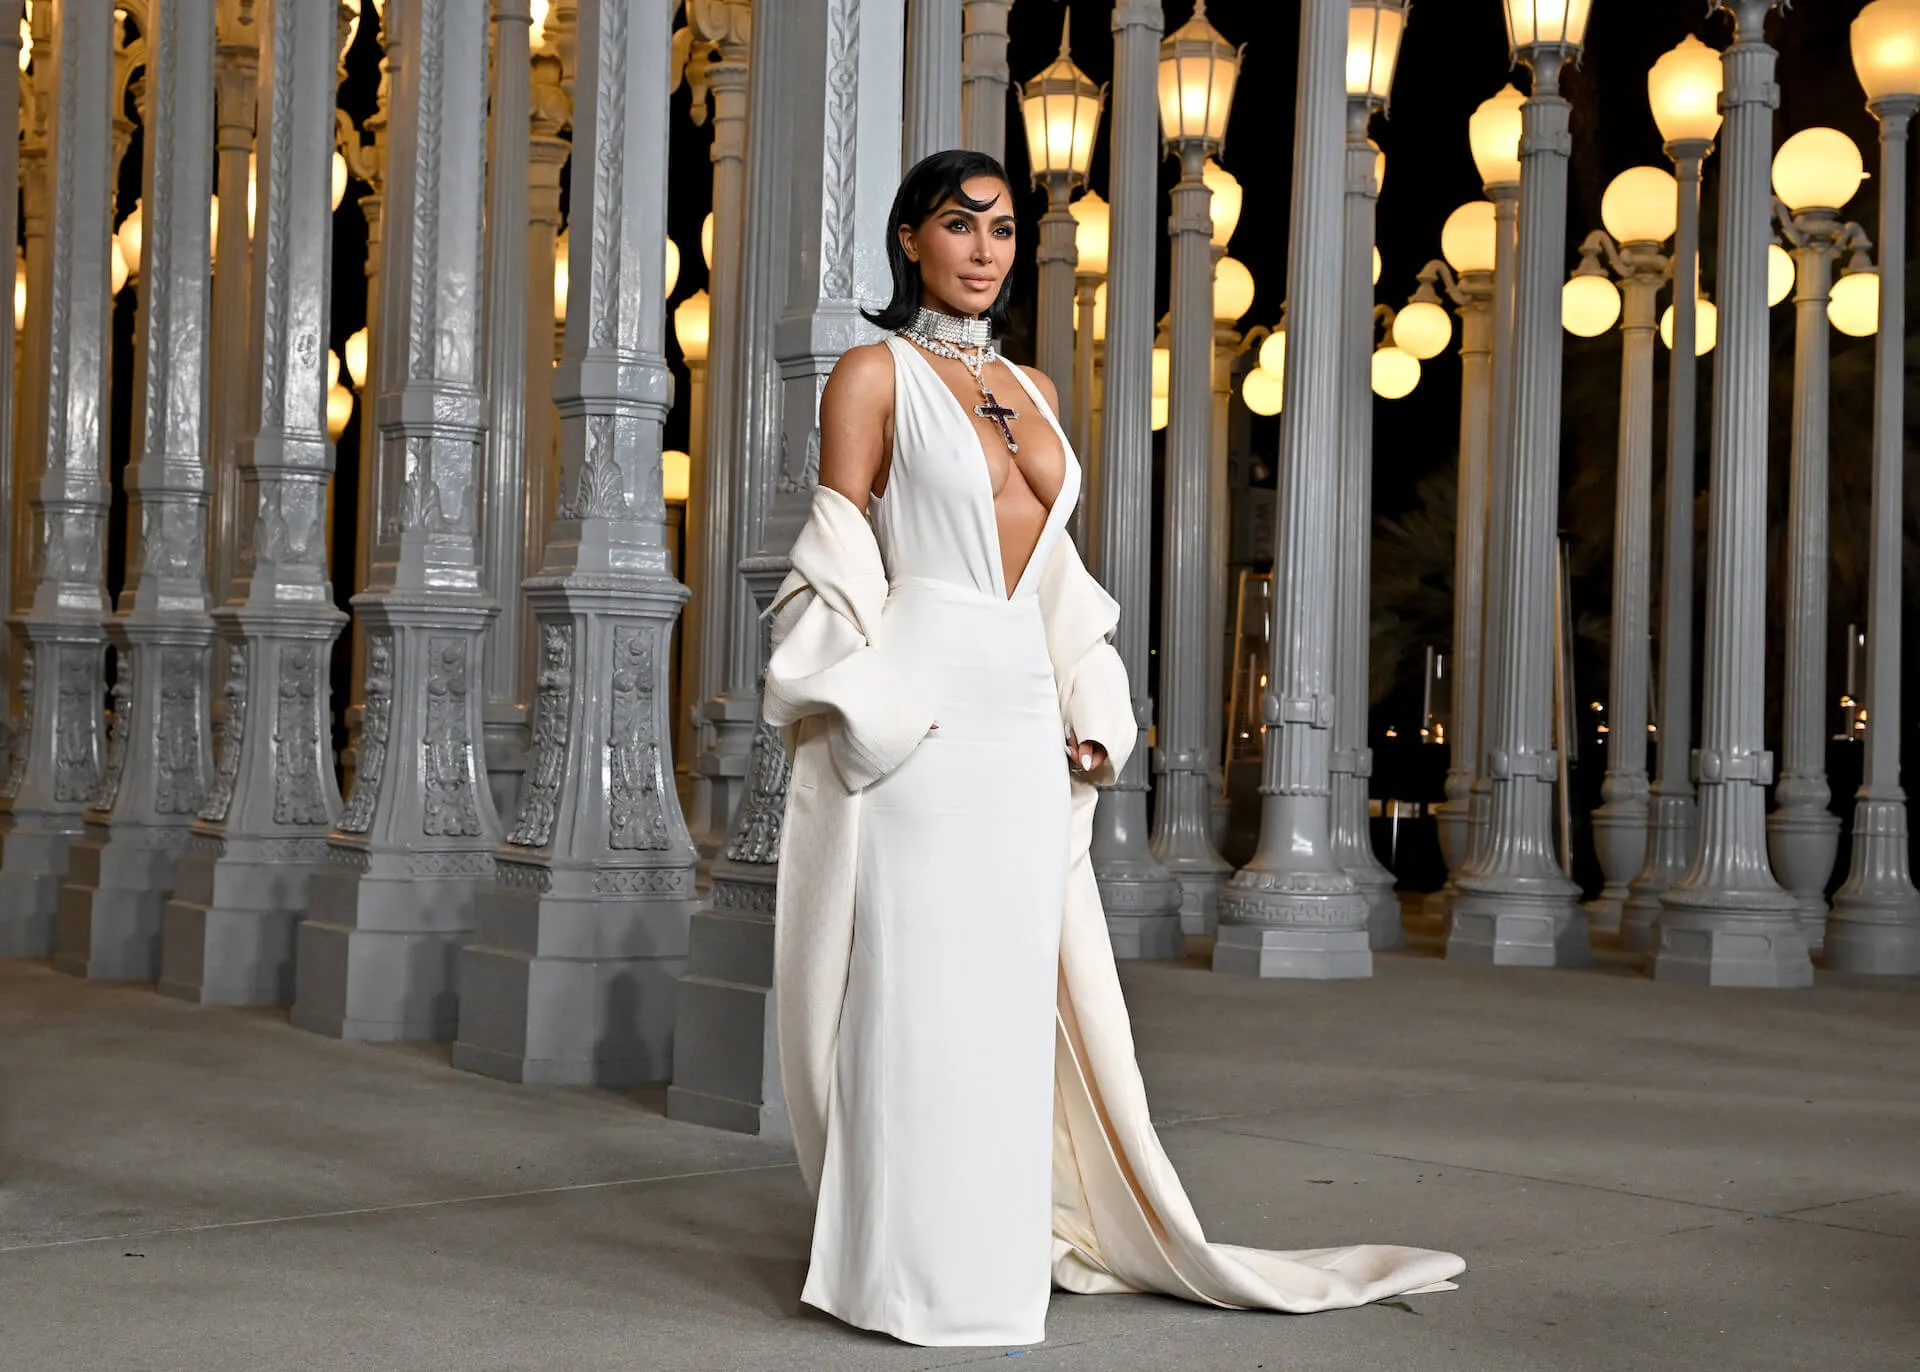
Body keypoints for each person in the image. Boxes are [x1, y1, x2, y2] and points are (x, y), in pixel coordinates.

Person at [762, 149, 1464, 1350]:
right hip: (923, 728)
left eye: (999, 227)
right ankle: (907, 1271)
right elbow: (830, 564)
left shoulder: (1033, 385)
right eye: (956, 224)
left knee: (1009, 1005)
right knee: (922, 998)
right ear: (909, 242)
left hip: (1023, 732)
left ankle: (993, 1250)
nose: (984, 248)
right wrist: (885, 714)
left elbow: (1059, 576)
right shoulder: (871, 374)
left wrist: (1090, 700)